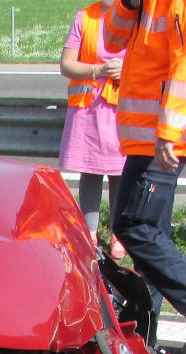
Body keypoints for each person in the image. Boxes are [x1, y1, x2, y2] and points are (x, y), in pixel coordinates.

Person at [103, 0, 186, 354]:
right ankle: (144, 335)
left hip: (165, 134)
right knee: (149, 231)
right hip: (147, 134)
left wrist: (169, 130)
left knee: (135, 225)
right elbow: (112, 38)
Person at [59, 0, 127, 260]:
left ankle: (119, 233)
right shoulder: (85, 17)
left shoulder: (137, 17)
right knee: (90, 171)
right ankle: (89, 234)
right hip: (88, 109)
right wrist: (98, 69)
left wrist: (126, 70)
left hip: (122, 109)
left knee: (121, 173)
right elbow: (66, 64)